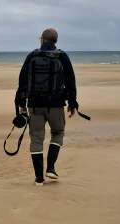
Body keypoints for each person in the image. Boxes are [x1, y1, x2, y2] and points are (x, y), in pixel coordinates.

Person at [14, 28, 79, 186]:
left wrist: (21, 104)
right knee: (58, 132)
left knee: (36, 138)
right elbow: (70, 81)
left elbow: (22, 81)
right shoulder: (62, 56)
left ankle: (38, 179)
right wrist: (72, 103)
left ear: (42, 39)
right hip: (56, 104)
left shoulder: (32, 55)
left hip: (35, 105)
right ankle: (50, 168)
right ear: (55, 41)